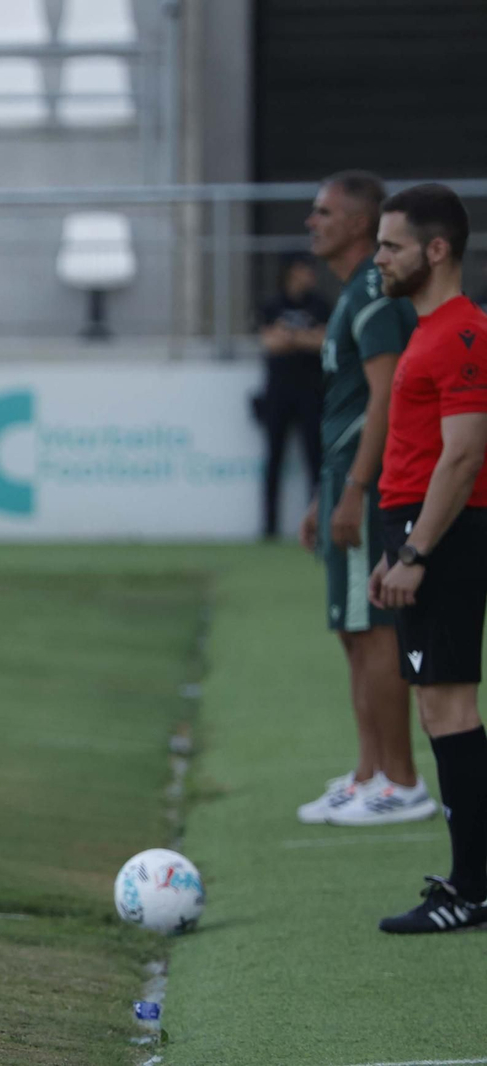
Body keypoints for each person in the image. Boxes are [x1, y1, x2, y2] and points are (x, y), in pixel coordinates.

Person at [294, 172, 433, 827]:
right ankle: (369, 773)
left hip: (372, 483)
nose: (309, 222)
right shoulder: (354, 293)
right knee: (355, 632)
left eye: (322, 212)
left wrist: (353, 490)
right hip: (347, 479)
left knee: (375, 631)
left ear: (356, 223)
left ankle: (401, 782)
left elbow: (388, 396)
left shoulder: (374, 291)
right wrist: (326, 496)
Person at [366, 183, 487, 933]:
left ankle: (472, 889)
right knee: (439, 706)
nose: (379, 259)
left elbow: (465, 452)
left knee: (450, 706)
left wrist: (413, 550)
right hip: (414, 526)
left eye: (391, 246)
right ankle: (473, 879)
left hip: (438, 531)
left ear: (435, 250)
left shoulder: (461, 332)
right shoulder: (428, 328)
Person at [255, 254, 327, 539]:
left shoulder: (320, 305)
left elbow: (324, 341)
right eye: (304, 269)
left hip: (312, 392)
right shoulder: (272, 304)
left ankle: (318, 522)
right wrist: (304, 338)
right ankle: (269, 527)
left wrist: (291, 337)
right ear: (292, 272)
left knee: (316, 460)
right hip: (278, 393)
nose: (310, 275)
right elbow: (269, 342)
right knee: (273, 459)